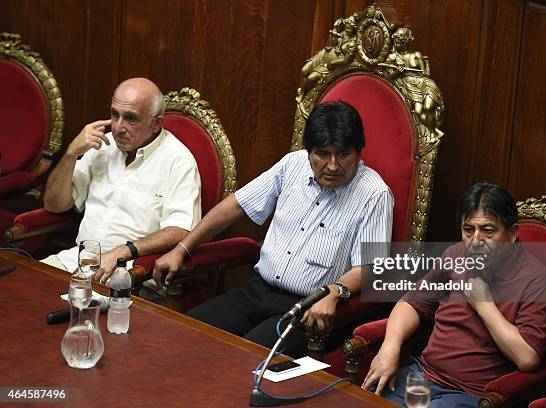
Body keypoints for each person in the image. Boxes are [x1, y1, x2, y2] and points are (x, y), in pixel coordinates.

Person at [153, 101, 393, 356]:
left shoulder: (374, 194)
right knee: (178, 336)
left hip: (305, 310)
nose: (333, 166)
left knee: (238, 360)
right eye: (323, 154)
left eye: (343, 155)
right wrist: (182, 248)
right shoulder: (292, 165)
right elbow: (235, 206)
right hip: (255, 292)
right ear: (308, 151)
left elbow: (370, 269)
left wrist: (333, 292)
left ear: (358, 152)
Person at [362, 182, 546, 407]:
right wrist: (390, 347)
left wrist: (484, 305)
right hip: (423, 374)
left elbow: (527, 358)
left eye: (488, 231)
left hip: (471, 394)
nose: (475, 241)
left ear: (512, 233)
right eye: (468, 230)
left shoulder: (536, 282)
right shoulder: (455, 254)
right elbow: (411, 303)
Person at [42, 78, 201, 284]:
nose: (118, 127)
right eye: (114, 115)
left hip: (130, 273)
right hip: (78, 261)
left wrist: (125, 251)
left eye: (130, 118)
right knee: (19, 289)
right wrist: (72, 153)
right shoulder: (102, 146)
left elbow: (180, 231)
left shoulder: (178, 161)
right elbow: (54, 205)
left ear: (156, 124)